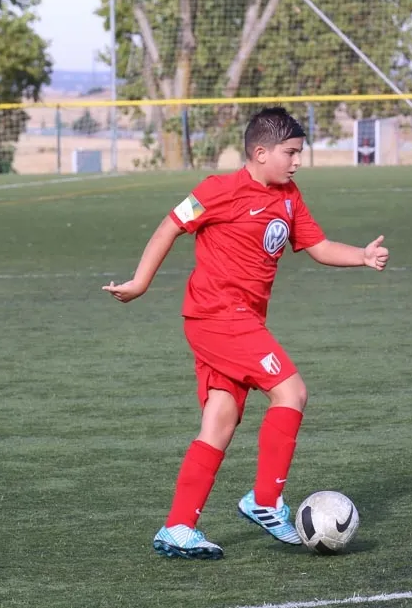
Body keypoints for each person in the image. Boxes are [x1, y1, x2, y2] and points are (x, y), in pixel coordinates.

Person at [102, 107, 389, 560]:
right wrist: (140, 283)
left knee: (220, 420)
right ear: (260, 152)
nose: (297, 162)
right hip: (218, 316)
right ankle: (265, 500)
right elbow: (170, 225)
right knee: (291, 392)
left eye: (300, 153)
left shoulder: (289, 196)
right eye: (290, 153)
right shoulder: (218, 190)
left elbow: (317, 246)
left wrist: (361, 256)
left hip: (241, 320)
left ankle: (177, 527)